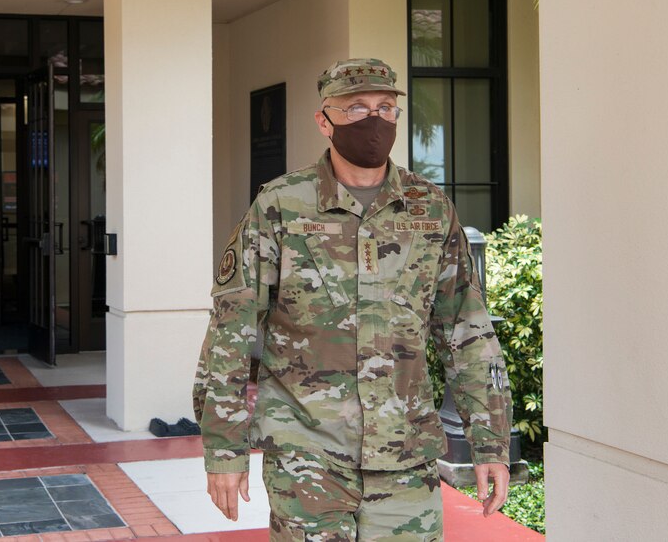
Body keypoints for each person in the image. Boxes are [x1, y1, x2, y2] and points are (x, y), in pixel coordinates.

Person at [192, 58, 513, 541]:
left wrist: (490, 442)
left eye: (386, 107)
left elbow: (467, 331)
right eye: (357, 108)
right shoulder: (281, 206)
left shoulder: (430, 208)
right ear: (325, 121)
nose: (374, 120)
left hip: (406, 453)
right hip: (307, 452)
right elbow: (230, 331)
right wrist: (223, 449)